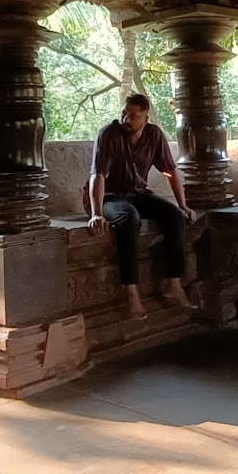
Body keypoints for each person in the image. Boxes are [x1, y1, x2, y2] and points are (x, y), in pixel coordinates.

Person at [87, 94, 195, 317]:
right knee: (129, 218)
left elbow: (170, 170)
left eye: (134, 116)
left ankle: (174, 284)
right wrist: (97, 214)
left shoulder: (154, 135)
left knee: (174, 216)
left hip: (137, 193)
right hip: (109, 196)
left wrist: (183, 205)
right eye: (125, 114)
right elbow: (98, 174)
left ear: (145, 119)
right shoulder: (110, 134)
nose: (127, 119)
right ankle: (131, 292)